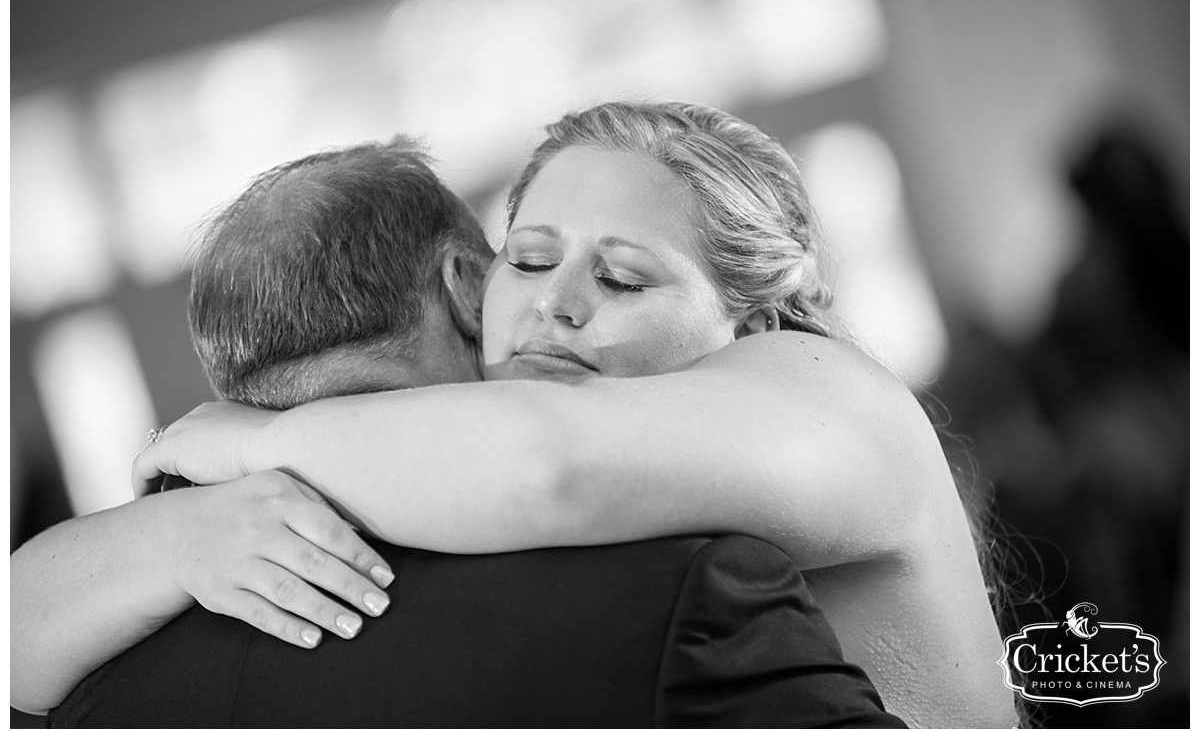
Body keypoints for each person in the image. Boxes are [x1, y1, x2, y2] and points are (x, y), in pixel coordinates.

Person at [130, 101, 1020, 727]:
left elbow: (545, 467)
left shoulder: (826, 386)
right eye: (528, 259)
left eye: (622, 277)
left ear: (752, 320)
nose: (554, 303)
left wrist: (256, 440)